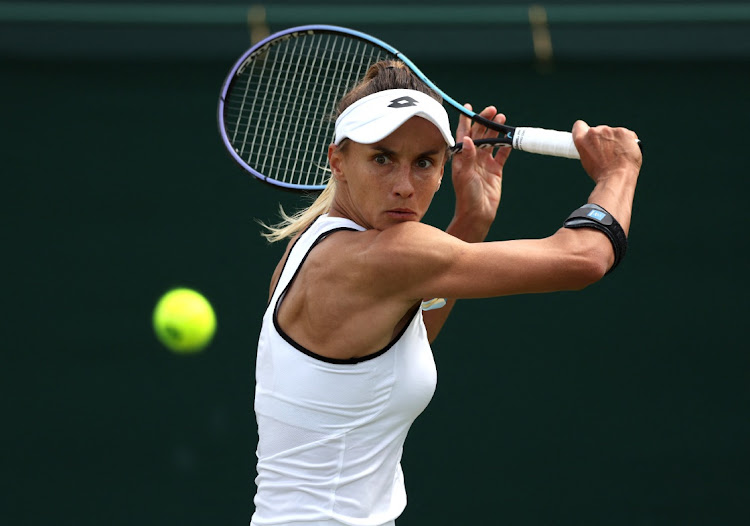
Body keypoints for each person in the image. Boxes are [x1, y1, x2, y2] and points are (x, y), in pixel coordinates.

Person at [250, 60, 642, 526]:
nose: (404, 186)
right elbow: (584, 258)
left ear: (444, 164)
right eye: (382, 158)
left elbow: (387, 350)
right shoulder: (386, 254)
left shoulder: (309, 245)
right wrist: (619, 172)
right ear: (339, 161)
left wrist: (469, 224)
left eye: (424, 162)